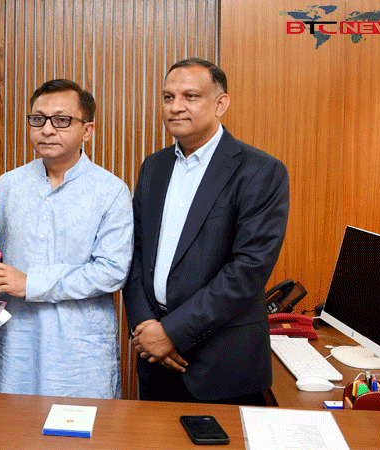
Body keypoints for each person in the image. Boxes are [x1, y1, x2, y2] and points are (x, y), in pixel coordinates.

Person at [124, 58, 289, 405]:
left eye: (190, 96)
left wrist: (172, 332)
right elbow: (135, 252)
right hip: (154, 357)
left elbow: (247, 271)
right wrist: (146, 330)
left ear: (221, 103)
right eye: (168, 97)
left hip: (221, 363)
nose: (176, 107)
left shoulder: (260, 171)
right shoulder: (154, 166)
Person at [0, 79, 133, 399]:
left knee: (81, 437)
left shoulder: (111, 191)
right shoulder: (9, 185)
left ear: (87, 130)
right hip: (17, 339)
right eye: (38, 119)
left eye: (62, 120)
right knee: (10, 431)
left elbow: (111, 271)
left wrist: (30, 282)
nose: (47, 129)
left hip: (79, 350)